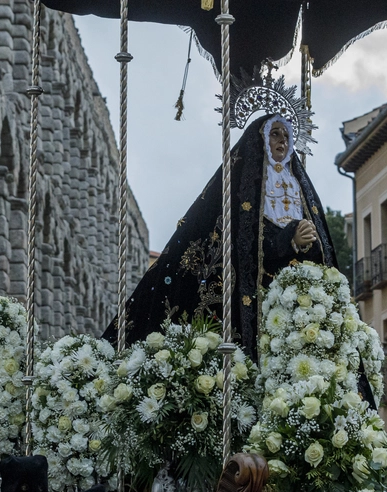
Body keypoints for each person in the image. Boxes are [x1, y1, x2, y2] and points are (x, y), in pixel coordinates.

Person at [105, 108, 335, 360]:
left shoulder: (298, 185)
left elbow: (320, 250)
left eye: (286, 136)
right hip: (248, 297)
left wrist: (304, 244)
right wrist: (288, 238)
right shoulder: (241, 187)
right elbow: (241, 243)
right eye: (275, 134)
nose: (282, 140)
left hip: (291, 300)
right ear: (260, 140)